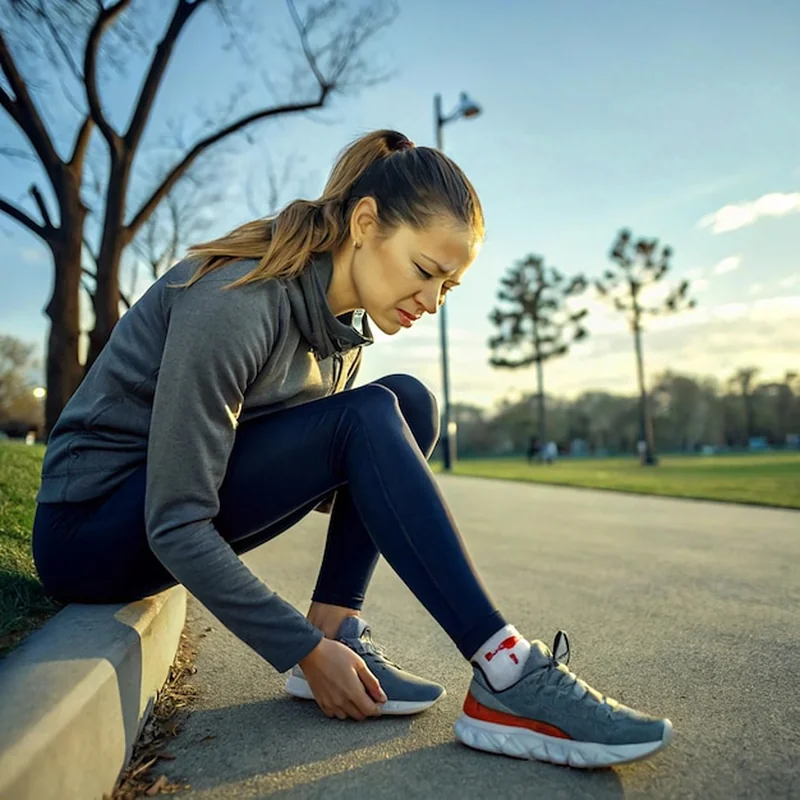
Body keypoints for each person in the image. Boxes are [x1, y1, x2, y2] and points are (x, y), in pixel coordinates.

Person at [32, 130, 672, 768]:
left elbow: (318, 477)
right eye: (425, 271)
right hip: (89, 530)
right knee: (369, 418)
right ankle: (506, 672)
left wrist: (373, 474)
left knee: (408, 402)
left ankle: (343, 627)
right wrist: (300, 647)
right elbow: (175, 520)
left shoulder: (342, 339)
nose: (431, 301)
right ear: (365, 222)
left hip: (157, 512)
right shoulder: (237, 302)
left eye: (447, 288)